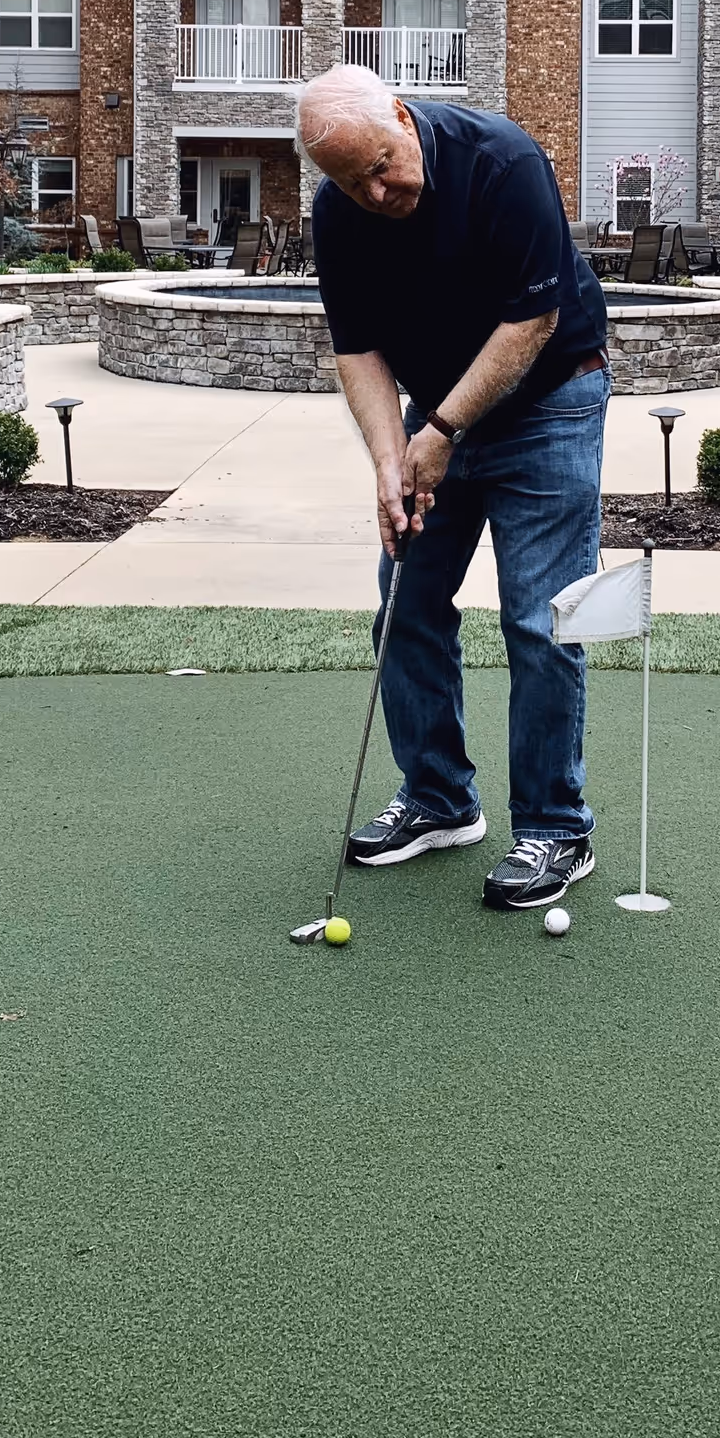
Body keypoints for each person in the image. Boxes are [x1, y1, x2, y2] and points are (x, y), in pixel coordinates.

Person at [299, 64, 612, 911]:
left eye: (381, 165)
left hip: (549, 401)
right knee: (404, 601)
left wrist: (438, 435)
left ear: (403, 117)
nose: (375, 192)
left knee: (541, 617)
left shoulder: (502, 162)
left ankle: (555, 826)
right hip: (435, 415)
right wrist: (390, 461)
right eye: (350, 181)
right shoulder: (340, 213)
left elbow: (532, 322)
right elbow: (356, 349)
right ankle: (440, 800)